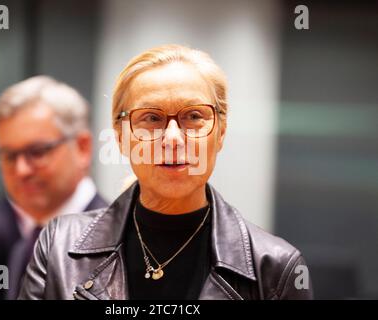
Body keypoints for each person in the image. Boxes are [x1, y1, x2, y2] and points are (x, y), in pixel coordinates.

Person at [19, 45, 313, 300]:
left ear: (220, 132)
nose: (172, 138)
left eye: (193, 116)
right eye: (151, 118)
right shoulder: (59, 245)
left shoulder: (276, 267)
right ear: (121, 136)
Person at [0, 76, 107, 300]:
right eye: (8, 156)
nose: (21, 170)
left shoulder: (125, 241)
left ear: (82, 148)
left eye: (37, 152)